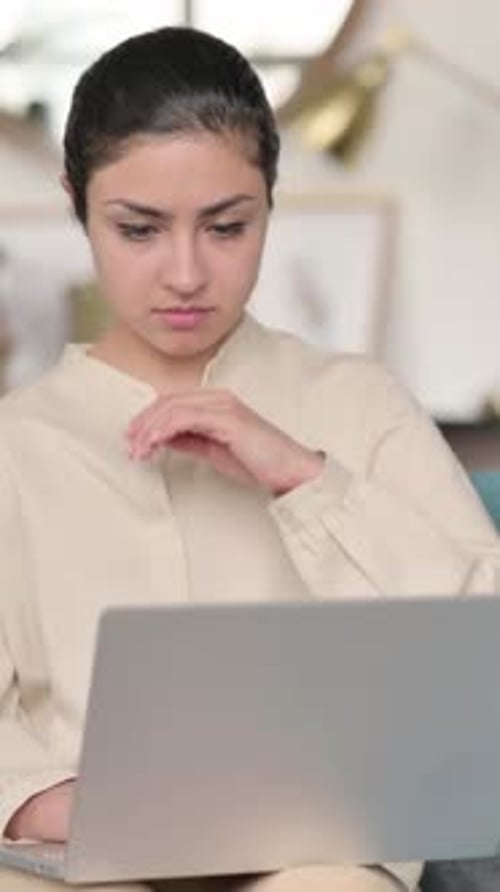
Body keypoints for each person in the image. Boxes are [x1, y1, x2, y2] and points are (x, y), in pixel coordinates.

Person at [0, 25, 498, 892]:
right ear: (77, 201)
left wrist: (303, 475)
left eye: (227, 226)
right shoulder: (17, 442)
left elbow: (477, 652)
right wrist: (38, 799)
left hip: (318, 856)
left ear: (270, 199)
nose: (186, 273)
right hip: (69, 865)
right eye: (139, 229)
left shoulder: (359, 401)